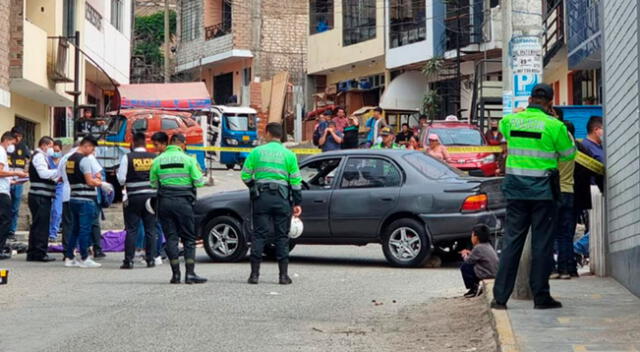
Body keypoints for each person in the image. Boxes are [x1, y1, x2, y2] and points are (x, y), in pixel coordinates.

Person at [492, 83, 576, 310]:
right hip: (543, 193)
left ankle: (499, 298)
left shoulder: (511, 121)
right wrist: (557, 123)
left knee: (511, 243)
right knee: (542, 245)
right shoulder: (554, 125)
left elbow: (502, 126)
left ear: (529, 99)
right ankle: (540, 297)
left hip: (516, 192)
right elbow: (569, 154)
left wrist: (520, 112)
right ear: (550, 101)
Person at [241, 122, 302, 285]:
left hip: (261, 198)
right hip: (282, 199)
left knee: (259, 235)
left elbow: (245, 175)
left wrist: (254, 187)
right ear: (281, 135)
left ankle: (254, 275)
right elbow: (296, 181)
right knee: (282, 236)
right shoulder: (289, 155)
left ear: (268, 133)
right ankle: (283, 276)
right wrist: (297, 202)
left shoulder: (256, 152)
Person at [150, 133, 206, 284]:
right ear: (182, 144)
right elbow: (200, 182)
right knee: (188, 238)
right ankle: (190, 274)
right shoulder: (189, 160)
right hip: (183, 203)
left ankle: (175, 275)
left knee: (171, 238)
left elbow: (153, 184)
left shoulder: (157, 160)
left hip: (165, 203)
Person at [117, 132, 158, 269]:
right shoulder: (154, 157)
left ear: (133, 143)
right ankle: (150, 259)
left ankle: (129, 261)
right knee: (150, 229)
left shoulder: (127, 158)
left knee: (132, 229)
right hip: (151, 198)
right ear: (145, 143)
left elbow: (121, 179)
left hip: (133, 197)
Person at [64, 136, 103, 268]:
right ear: (86, 146)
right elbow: (89, 181)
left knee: (75, 229)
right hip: (85, 199)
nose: (92, 151)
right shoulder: (84, 160)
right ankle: (85, 257)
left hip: (73, 197)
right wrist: (101, 184)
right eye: (92, 148)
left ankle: (69, 257)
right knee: (85, 229)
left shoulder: (69, 159)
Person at [550, 120, 577, 280]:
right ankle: (565, 269)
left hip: (554, 192)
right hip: (569, 191)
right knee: (565, 234)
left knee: (550, 233)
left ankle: (552, 269)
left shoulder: (555, 149)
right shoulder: (572, 145)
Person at [26, 136, 59, 262]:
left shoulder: (43, 157)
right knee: (41, 225)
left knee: (38, 224)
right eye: (50, 146)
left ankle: (33, 252)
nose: (52, 150)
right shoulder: (39, 156)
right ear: (44, 145)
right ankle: (40, 252)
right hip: (40, 196)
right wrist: (58, 172)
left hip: (40, 195)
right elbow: (43, 174)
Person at [0, 132, 28, 260]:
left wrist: (13, 179)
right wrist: (15, 172)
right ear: (7, 140)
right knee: (5, 220)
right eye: (12, 143)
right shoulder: (1, 151)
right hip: (1, 192)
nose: (13, 147)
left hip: (4, 187)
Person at [459, 224, 499, 298]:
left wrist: (464, 254)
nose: (471, 238)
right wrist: (470, 253)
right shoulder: (488, 245)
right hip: (494, 273)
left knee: (464, 266)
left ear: (476, 238)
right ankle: (477, 287)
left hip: (487, 274)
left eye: (472, 235)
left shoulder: (478, 247)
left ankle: (473, 288)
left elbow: (468, 261)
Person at [7, 126, 30, 240]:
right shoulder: (6, 146)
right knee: (5, 206)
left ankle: (11, 230)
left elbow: (29, 159)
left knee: (15, 207)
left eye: (20, 136)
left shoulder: (23, 147)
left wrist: (26, 169)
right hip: (6, 179)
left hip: (19, 180)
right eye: (17, 136)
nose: (18, 139)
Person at [48, 140, 64, 241]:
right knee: (48, 210)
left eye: (57, 151)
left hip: (60, 186)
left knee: (57, 210)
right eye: (54, 150)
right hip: (49, 185)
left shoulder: (63, 160)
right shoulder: (47, 160)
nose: (55, 153)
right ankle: (48, 231)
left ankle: (53, 233)